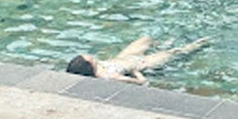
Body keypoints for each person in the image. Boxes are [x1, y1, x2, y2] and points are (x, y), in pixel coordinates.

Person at [66, 36, 210, 85]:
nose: (92, 57)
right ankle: (203, 42)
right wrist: (136, 72)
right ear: (89, 66)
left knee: (146, 39)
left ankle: (163, 45)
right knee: (176, 52)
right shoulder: (110, 76)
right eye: (91, 59)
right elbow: (142, 82)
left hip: (124, 57)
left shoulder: (98, 67)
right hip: (142, 63)